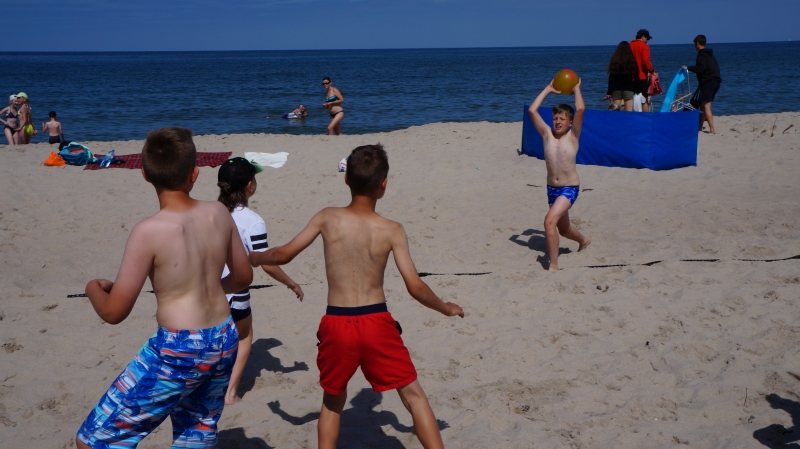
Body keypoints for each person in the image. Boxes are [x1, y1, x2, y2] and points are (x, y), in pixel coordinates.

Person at [249, 144, 464, 449]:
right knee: (414, 397)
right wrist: (446, 308)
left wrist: (256, 257)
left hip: (337, 323)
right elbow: (415, 287)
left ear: (346, 179)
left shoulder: (327, 217)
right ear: (384, 184)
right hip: (376, 323)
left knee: (332, 402)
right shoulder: (392, 229)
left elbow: (283, 254)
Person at [75, 127, 253, 449]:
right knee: (196, 432)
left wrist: (92, 287)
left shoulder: (148, 231)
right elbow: (243, 277)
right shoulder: (218, 213)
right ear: (194, 173)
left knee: (92, 441)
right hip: (224, 337)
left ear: (145, 175)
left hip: (179, 348)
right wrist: (208, 286)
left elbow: (114, 312)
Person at [216, 156, 304, 406]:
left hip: (207, 288)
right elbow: (267, 263)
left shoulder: (209, 212)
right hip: (235, 291)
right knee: (244, 336)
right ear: (249, 186)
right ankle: (230, 394)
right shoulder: (253, 221)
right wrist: (291, 283)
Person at [528, 79, 591, 272]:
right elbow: (532, 111)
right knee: (563, 230)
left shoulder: (573, 136)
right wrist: (548, 89)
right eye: (556, 118)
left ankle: (553, 265)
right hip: (552, 189)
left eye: (562, 119)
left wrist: (576, 89)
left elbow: (580, 109)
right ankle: (584, 240)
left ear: (570, 122)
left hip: (569, 188)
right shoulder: (546, 134)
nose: (558, 122)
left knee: (549, 222)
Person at [684, 35, 722, 134]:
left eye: (694, 44)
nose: (694, 46)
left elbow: (700, 68)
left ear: (697, 43)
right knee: (703, 104)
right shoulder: (709, 54)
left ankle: (712, 129)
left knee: (706, 106)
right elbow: (709, 69)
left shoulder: (701, 54)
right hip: (715, 82)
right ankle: (699, 127)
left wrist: (688, 68)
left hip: (709, 83)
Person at [606, 41, 638, 111]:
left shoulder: (615, 61)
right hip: (628, 87)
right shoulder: (631, 61)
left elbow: (611, 78)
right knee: (629, 111)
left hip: (616, 88)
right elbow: (636, 76)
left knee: (616, 110)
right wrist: (636, 89)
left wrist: (609, 92)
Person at [630, 29, 655, 112]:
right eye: (647, 39)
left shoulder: (629, 45)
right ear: (643, 37)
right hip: (641, 76)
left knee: (630, 99)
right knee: (644, 99)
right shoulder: (644, 46)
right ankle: (645, 117)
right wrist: (652, 71)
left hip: (630, 76)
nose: (647, 41)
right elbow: (646, 61)